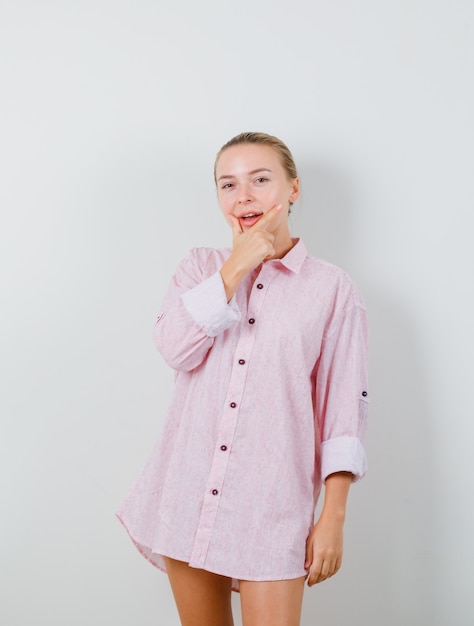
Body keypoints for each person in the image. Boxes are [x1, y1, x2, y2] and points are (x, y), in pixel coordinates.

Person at [117, 132, 369, 626]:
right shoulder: (200, 269)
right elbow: (175, 349)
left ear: (292, 189)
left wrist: (332, 518)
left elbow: (342, 412)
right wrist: (235, 268)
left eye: (260, 179)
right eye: (228, 185)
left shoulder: (332, 289)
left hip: (271, 506)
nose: (244, 196)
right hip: (187, 493)